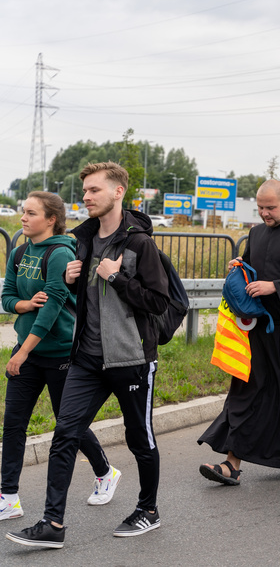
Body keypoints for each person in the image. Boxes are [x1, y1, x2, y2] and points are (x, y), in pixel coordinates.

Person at [7, 162, 170, 549]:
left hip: (130, 358)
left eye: (94, 190)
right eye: (84, 191)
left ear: (117, 192)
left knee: (139, 437)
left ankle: (148, 509)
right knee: (65, 434)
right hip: (86, 358)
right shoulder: (82, 241)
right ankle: (52, 523)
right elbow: (83, 300)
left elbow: (159, 301)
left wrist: (117, 276)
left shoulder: (139, 244)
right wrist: (70, 282)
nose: (86, 197)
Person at [198, 180, 280, 482]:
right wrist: (240, 265)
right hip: (260, 330)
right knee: (246, 395)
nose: (264, 213)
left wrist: (275, 287)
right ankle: (232, 463)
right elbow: (254, 266)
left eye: (270, 207)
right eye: (260, 207)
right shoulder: (255, 234)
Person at [1, 192, 119, 523]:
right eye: (23, 212)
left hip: (59, 353)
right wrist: (22, 306)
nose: (23, 218)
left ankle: (105, 472)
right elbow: (7, 296)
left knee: (68, 424)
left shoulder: (59, 252)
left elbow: (52, 306)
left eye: (30, 213)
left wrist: (22, 352)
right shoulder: (20, 251)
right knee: (13, 424)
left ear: (51, 219)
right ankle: (8, 496)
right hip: (28, 350)